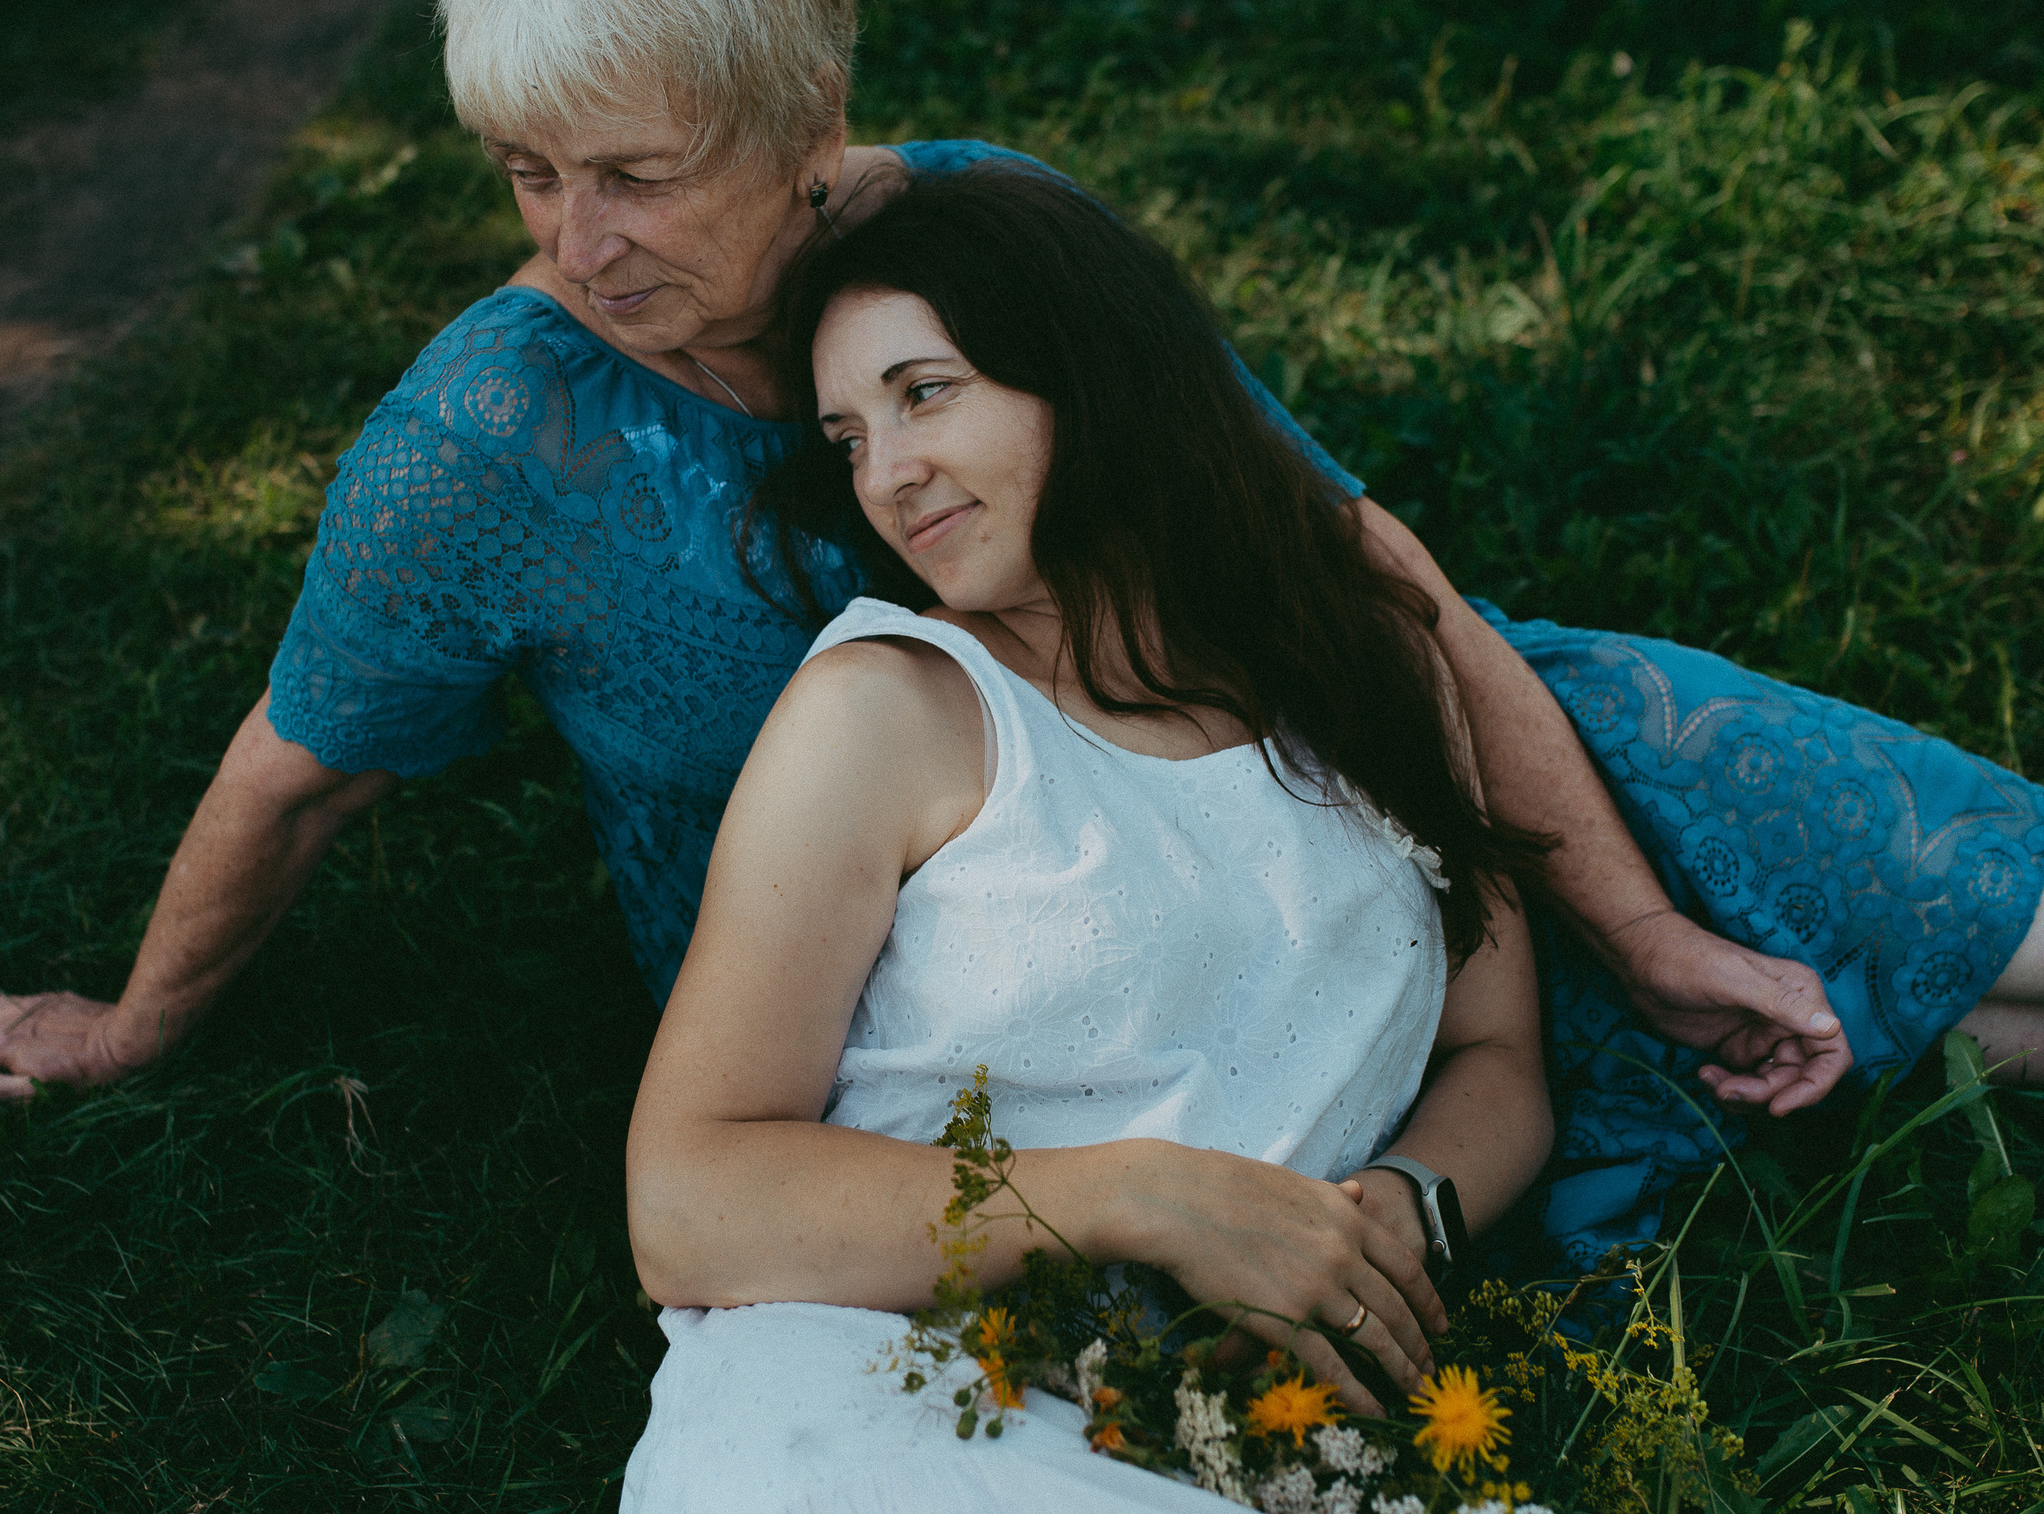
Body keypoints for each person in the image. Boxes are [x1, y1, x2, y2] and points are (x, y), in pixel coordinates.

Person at [0, 0, 2044, 1266]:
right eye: (523, 172)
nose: (571, 240)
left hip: (1243, 746)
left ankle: (1780, 992)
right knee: (1755, 1009)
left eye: (625, 172)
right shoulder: (487, 432)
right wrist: (136, 1021)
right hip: (932, 958)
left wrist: (1647, 925)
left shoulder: (971, 232)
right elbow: (309, 758)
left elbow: (1337, 556)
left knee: (1685, 786)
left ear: (799, 133)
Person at [624, 162, 1549, 1509]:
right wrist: (1141, 1195)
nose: (887, 474)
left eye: (924, 392)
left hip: (1253, 1432)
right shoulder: (888, 710)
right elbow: (689, 1202)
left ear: (1091, 369)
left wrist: (1393, 1214)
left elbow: (1499, 1051)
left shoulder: (1365, 660)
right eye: (844, 438)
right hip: (890, 1401)